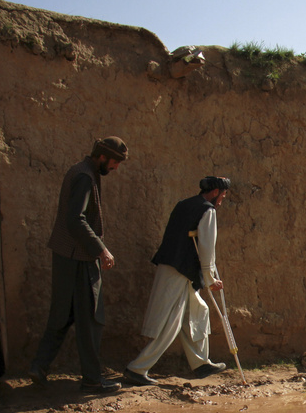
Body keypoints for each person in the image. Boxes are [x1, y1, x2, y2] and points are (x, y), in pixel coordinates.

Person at [28, 136, 128, 393]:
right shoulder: (85, 177)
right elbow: (75, 219)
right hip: (79, 257)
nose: (115, 168)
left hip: (65, 255)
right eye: (115, 162)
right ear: (103, 157)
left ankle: (39, 366)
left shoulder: (80, 171)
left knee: (63, 314)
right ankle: (93, 380)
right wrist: (101, 249)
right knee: (91, 318)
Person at [123, 176, 231, 385]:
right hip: (181, 271)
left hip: (172, 265)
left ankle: (201, 363)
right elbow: (207, 249)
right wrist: (210, 280)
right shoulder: (207, 210)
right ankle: (137, 368)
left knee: (199, 310)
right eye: (223, 194)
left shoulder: (184, 204)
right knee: (170, 324)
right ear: (216, 192)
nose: (223, 199)